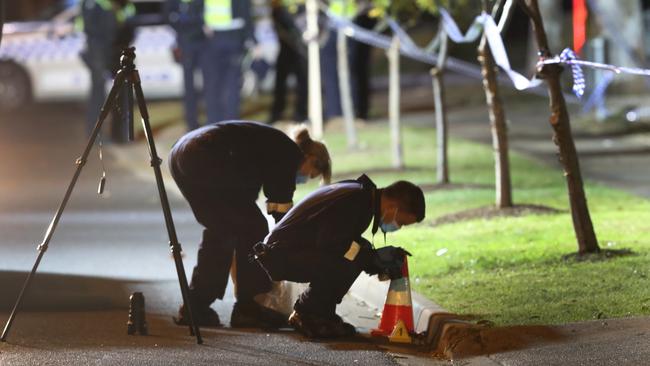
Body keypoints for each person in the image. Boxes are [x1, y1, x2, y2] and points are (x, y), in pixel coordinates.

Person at [169, 121, 332, 328]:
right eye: (310, 175)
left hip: (182, 154)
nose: (303, 180)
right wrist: (287, 256)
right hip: (206, 154)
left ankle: (195, 305)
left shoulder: (267, 150)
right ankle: (248, 306)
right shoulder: (288, 155)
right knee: (253, 226)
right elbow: (282, 217)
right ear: (310, 159)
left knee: (222, 229)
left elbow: (250, 200)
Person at [253, 174, 425, 338]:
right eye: (401, 222)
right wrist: (373, 258)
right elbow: (332, 245)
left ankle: (320, 313)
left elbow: (341, 242)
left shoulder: (361, 194)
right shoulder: (357, 201)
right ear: (392, 208)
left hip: (284, 250)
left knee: (359, 250)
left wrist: (372, 259)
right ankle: (309, 314)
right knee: (350, 257)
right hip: (281, 254)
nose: (398, 226)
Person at [79, 0, 135, 140]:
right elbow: (89, 28)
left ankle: (120, 134)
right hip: (99, 51)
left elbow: (129, 24)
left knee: (122, 91)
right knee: (99, 93)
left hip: (116, 51)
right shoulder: (93, 3)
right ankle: (94, 134)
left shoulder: (122, 4)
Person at [201, 0, 255, 123]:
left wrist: (202, 24)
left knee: (216, 85)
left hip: (216, 38)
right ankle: (230, 123)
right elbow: (246, 13)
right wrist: (252, 38)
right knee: (231, 85)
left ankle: (214, 124)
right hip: (231, 38)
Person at [164, 0, 206, 131]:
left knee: (208, 85)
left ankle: (208, 119)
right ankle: (192, 123)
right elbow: (167, 16)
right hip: (187, 42)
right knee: (189, 87)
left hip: (202, 42)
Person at [268, 0, 308, 124]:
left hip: (300, 23)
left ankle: (301, 114)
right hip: (286, 34)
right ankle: (277, 114)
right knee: (281, 81)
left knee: (303, 81)